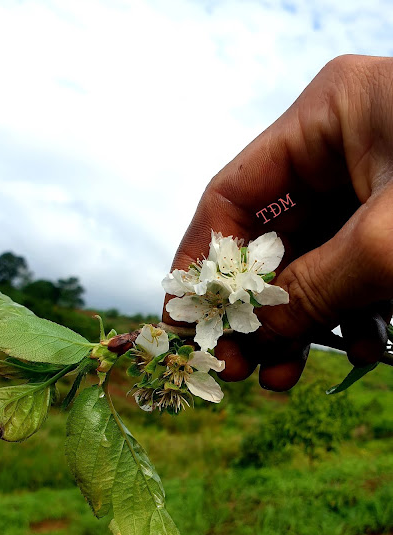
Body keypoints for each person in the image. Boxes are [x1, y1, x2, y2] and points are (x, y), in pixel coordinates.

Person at [162, 54, 393, 391]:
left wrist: (303, 300)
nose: (215, 301)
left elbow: (287, 302)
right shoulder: (218, 306)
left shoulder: (259, 274)